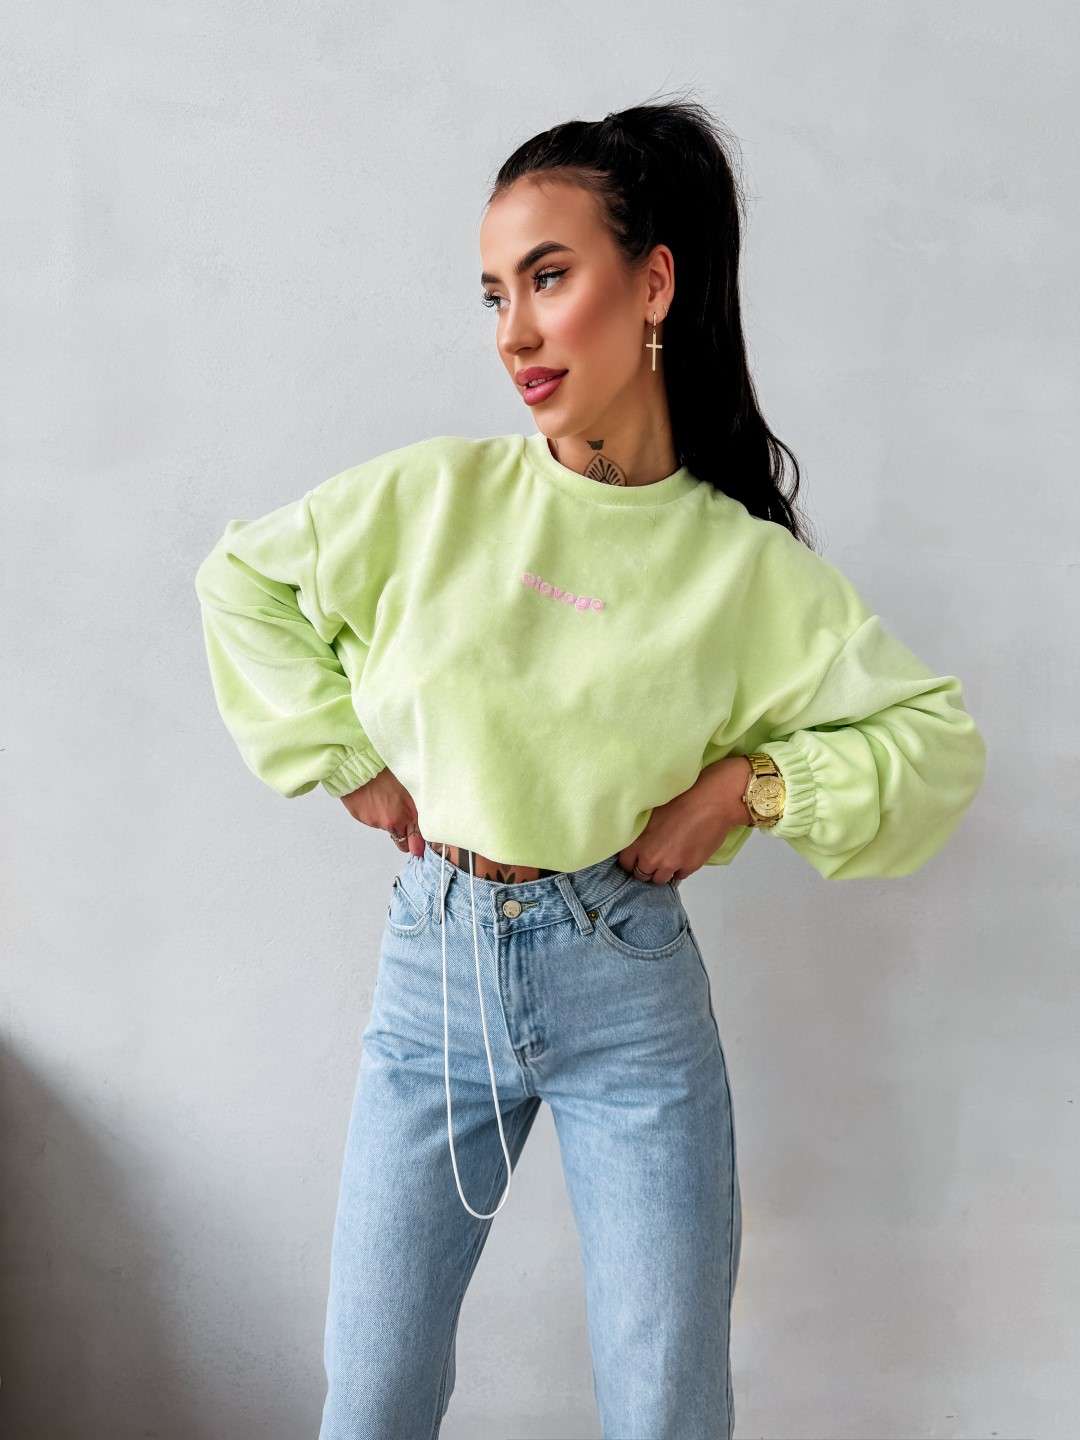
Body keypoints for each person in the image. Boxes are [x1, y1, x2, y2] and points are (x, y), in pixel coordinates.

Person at [194, 97, 987, 1440]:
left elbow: (933, 742)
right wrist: (347, 760)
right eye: (495, 293)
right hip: (434, 975)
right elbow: (241, 583)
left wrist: (746, 788)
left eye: (549, 277)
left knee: (664, 1404)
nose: (513, 331)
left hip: (625, 983)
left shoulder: (745, 571)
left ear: (654, 283)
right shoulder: (433, 498)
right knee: (373, 1394)